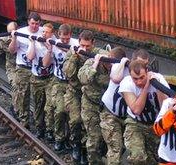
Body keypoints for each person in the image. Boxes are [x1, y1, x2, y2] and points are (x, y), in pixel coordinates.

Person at [62, 30, 105, 162]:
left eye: (88, 46)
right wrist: (75, 56)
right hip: (74, 91)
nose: (85, 49)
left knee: (90, 124)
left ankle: (87, 150)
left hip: (90, 94)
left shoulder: (98, 53)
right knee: (75, 119)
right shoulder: (72, 52)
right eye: (82, 45)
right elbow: (68, 73)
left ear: (93, 43)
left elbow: (108, 56)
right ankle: (76, 145)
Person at [119, 59, 170, 164]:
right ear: (130, 76)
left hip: (155, 124)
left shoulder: (158, 78)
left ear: (147, 71)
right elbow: (136, 110)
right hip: (136, 123)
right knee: (138, 158)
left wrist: (157, 86)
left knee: (158, 159)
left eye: (142, 77)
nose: (139, 82)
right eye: (135, 79)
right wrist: (146, 87)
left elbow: (166, 108)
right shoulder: (126, 83)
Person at [8, 12, 43, 128]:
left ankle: (39, 124)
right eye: (32, 23)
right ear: (29, 22)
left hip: (37, 69)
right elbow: (12, 51)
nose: (34, 26)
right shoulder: (21, 32)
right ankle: (24, 120)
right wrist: (14, 38)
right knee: (23, 95)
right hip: (23, 68)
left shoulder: (43, 32)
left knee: (39, 97)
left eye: (37, 24)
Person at [49, 24, 79, 151]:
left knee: (73, 116)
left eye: (67, 39)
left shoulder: (76, 44)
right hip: (59, 81)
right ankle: (59, 138)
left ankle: (71, 140)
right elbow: (46, 62)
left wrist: (68, 50)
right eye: (63, 39)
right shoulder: (54, 44)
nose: (65, 41)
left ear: (71, 35)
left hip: (72, 84)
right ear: (58, 35)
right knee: (60, 111)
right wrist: (49, 49)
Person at [99, 47, 130, 165]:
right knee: (115, 148)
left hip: (123, 115)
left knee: (122, 147)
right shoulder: (117, 66)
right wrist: (121, 63)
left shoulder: (133, 71)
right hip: (109, 113)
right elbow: (116, 78)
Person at [26, 22, 55, 138]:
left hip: (49, 79)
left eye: (47, 32)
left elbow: (47, 63)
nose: (44, 34)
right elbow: (30, 57)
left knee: (49, 106)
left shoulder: (54, 44)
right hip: (37, 79)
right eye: (43, 31)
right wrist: (32, 43)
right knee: (38, 105)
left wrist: (50, 49)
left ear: (52, 34)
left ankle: (49, 129)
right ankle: (39, 127)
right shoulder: (36, 43)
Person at [0, 21, 18, 116]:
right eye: (9, 32)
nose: (10, 34)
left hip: (24, 68)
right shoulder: (5, 40)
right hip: (12, 67)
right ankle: (15, 108)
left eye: (12, 31)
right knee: (16, 85)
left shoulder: (23, 38)